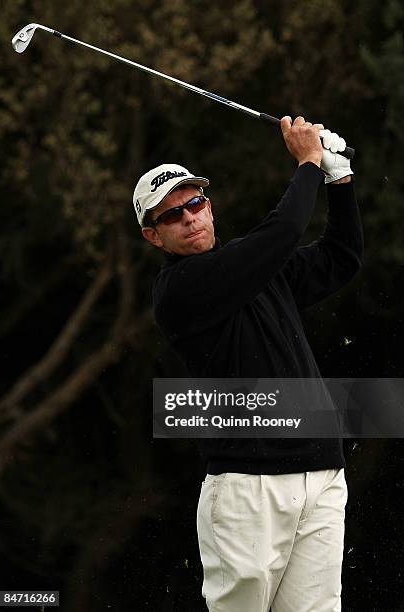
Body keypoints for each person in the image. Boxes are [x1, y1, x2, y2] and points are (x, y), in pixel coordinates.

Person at [133, 116, 363, 612]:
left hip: (322, 475)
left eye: (194, 203)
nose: (189, 218)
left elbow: (342, 257)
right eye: (171, 216)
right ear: (154, 237)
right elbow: (282, 232)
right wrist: (307, 163)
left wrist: (339, 183)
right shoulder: (180, 291)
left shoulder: (256, 265)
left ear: (209, 206)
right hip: (245, 487)